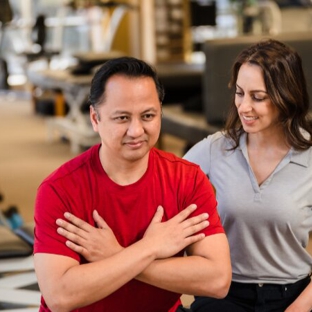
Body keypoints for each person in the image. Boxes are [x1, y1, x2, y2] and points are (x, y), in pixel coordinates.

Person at [33, 56, 231, 312]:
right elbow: (61, 296)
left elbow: (217, 280)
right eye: (122, 118)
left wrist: (115, 254)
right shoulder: (59, 189)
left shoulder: (188, 180)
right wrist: (150, 247)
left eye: (147, 115)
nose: (136, 130)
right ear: (95, 118)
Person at [184, 39, 312, 312]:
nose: (243, 106)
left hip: (293, 295)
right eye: (240, 93)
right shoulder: (215, 148)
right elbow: (159, 185)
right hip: (225, 293)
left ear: (286, 96)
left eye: (258, 97)